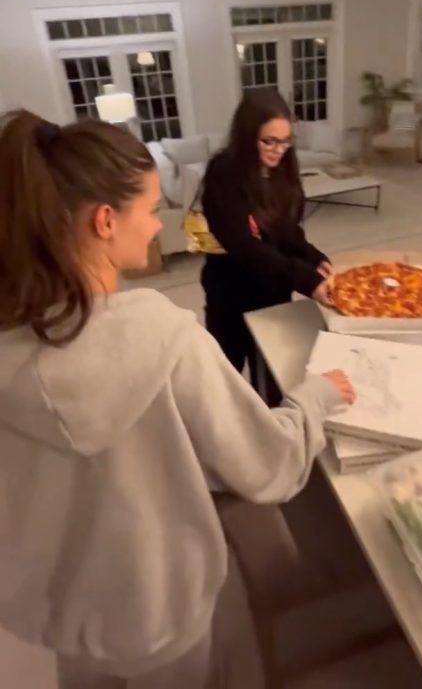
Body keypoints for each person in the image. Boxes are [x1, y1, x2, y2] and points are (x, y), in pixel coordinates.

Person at [0, 109, 354, 689]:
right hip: (161, 617)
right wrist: (315, 398)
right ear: (105, 220)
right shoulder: (163, 334)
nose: (157, 226)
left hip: (67, 621)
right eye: (149, 208)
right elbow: (266, 464)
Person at [201, 87, 334, 396]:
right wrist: (306, 279)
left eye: (285, 141)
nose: (278, 150)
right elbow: (245, 249)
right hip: (230, 298)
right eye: (268, 141)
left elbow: (286, 231)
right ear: (248, 136)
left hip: (273, 295)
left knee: (275, 384)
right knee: (225, 385)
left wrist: (314, 258)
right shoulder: (223, 174)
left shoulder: (282, 170)